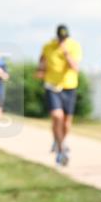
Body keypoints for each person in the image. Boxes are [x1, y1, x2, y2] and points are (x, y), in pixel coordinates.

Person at [38, 24, 83, 166]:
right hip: (52, 86)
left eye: (64, 38)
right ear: (56, 36)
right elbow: (42, 62)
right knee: (57, 116)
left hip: (69, 87)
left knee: (66, 122)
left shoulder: (74, 46)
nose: (62, 40)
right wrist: (41, 69)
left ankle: (61, 141)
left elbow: (75, 67)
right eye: (60, 38)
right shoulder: (48, 46)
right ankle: (60, 150)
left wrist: (66, 53)